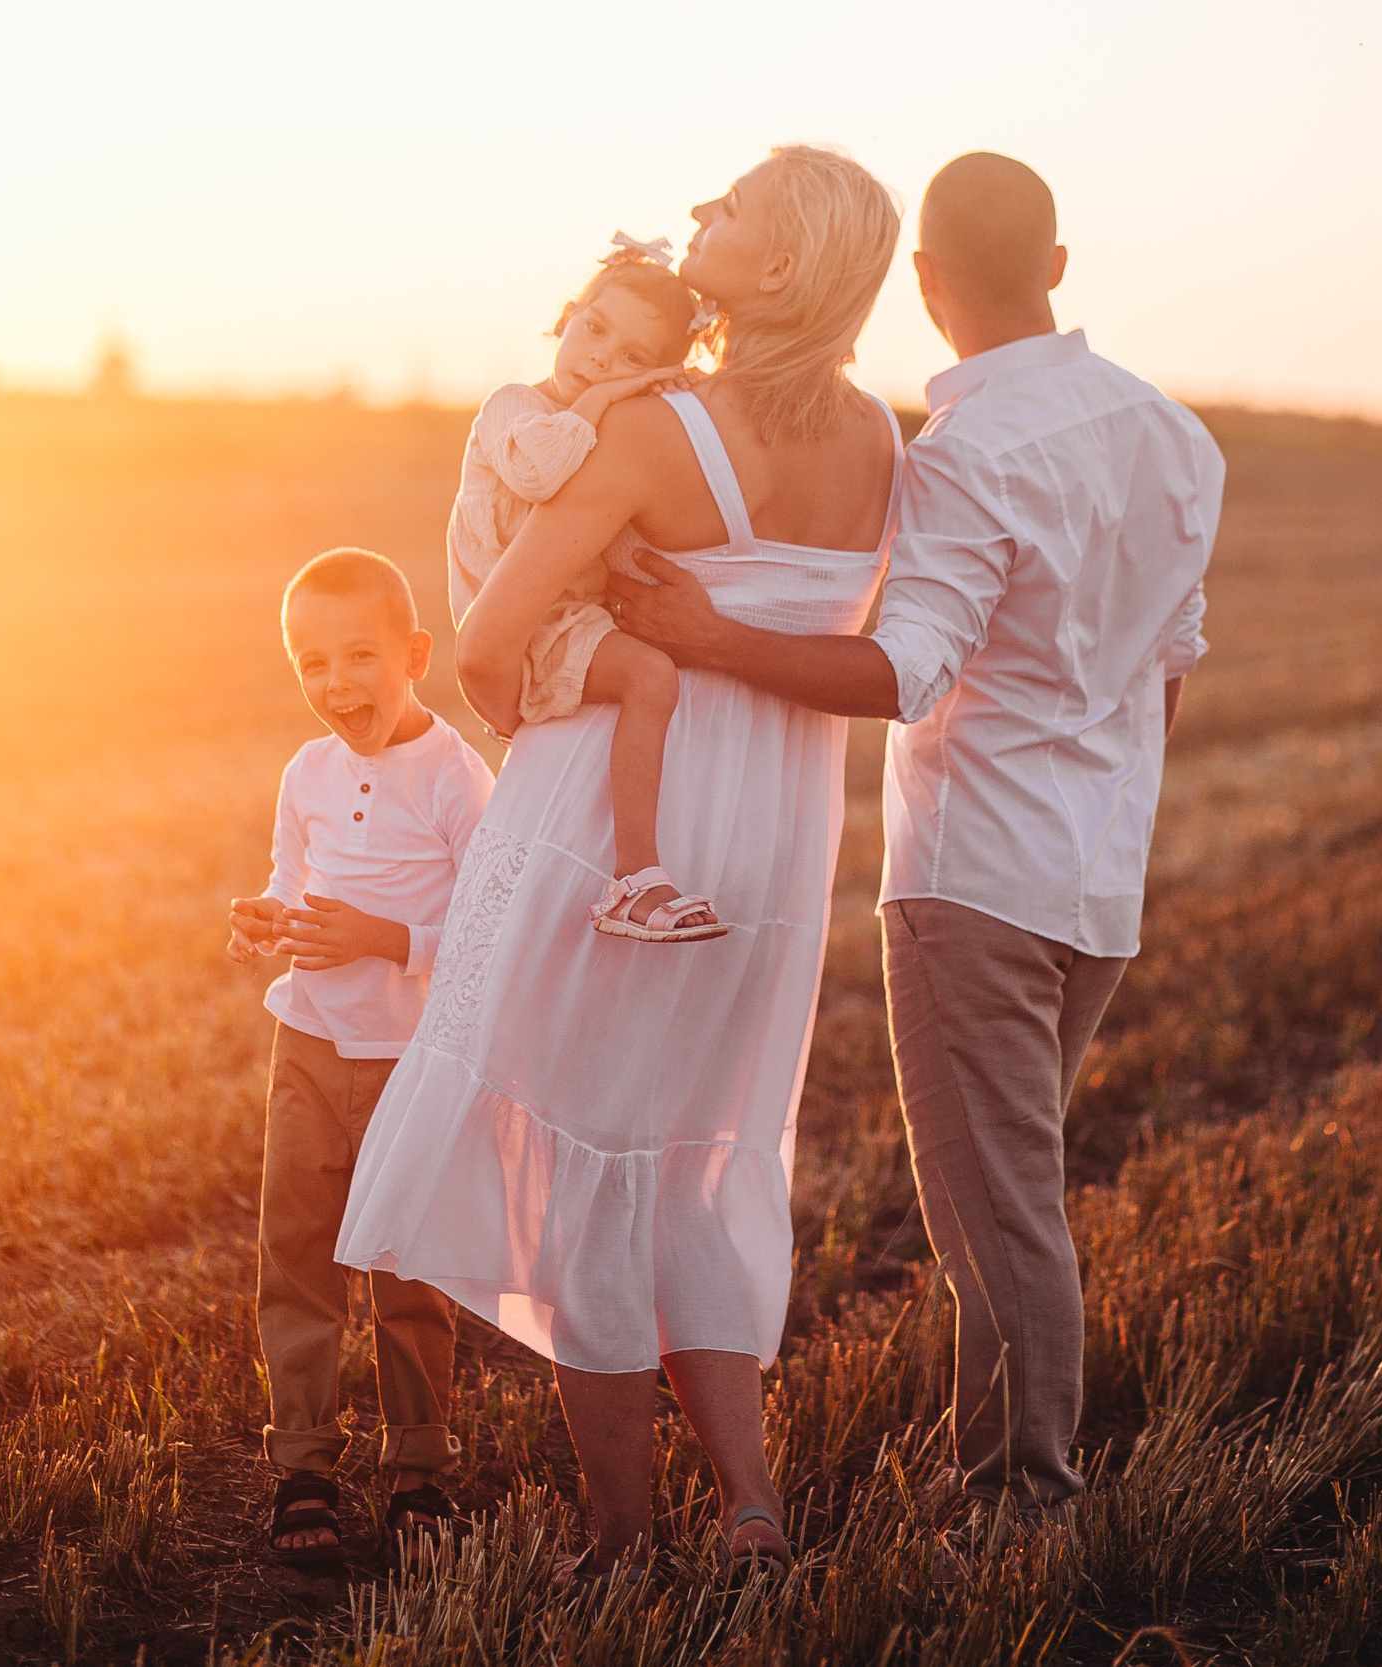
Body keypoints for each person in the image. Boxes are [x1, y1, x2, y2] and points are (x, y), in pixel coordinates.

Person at [609, 152, 1225, 1546]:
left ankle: (1020, 1507)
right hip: (1092, 886)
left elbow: (901, 672)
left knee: (996, 1216)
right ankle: (998, 1479)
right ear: (1057, 268)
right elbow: (1169, 665)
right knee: (1012, 1192)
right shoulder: (1177, 437)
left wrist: (704, 637)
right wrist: (1101, 797)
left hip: (971, 883)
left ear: (927, 287)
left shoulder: (964, 455)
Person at [337, 145, 903, 1582]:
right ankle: (752, 1505)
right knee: (693, 1160)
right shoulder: (878, 445)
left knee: (580, 1161)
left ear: (771, 271)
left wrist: (517, 718)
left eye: (731, 209)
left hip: (607, 826)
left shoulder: (651, 428)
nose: (701, 214)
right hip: (766, 832)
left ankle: (621, 1533)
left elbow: (483, 640)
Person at [227, 547, 495, 1569]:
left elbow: (487, 920)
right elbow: (293, 881)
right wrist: (266, 921)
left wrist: (386, 939)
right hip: (306, 1040)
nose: (336, 685)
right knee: (295, 1253)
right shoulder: (306, 769)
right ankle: (302, 1459)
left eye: (359, 656)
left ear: (414, 652)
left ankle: (417, 1463)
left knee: (405, 1263)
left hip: (407, 1055)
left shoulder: (455, 775)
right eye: (311, 663)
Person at [447, 237, 724, 943]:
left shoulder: (602, 428)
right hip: (522, 626)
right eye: (595, 329)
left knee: (665, 662)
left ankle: (637, 863)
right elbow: (542, 474)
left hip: (563, 616)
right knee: (650, 677)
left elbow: (612, 533)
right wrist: (607, 397)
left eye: (632, 358)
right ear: (567, 315)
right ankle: (635, 875)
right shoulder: (514, 406)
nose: (600, 358)